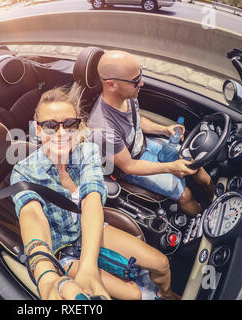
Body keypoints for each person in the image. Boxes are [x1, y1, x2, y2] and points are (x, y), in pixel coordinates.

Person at [10, 85, 180, 300]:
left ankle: (168, 296)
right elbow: (32, 217)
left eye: (70, 124)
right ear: (38, 130)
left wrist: (88, 265)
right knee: (134, 295)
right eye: (51, 126)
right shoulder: (24, 172)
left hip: (88, 228)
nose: (62, 133)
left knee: (162, 264)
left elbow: (91, 200)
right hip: (62, 250)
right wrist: (46, 276)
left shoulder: (86, 151)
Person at [88, 50, 214, 217]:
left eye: (140, 75)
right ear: (111, 85)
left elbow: (136, 120)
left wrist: (164, 129)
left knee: (194, 163)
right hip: (134, 163)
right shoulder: (102, 130)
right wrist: (170, 168)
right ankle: (203, 218)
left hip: (146, 145)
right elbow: (129, 166)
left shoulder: (127, 95)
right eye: (135, 81)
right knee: (185, 195)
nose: (142, 83)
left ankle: (215, 198)